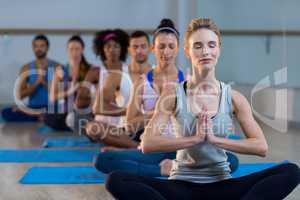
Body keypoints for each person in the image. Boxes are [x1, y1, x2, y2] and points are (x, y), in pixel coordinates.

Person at [105, 18, 300, 200]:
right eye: (198, 46)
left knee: (291, 171)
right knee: (116, 180)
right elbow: (147, 143)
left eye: (211, 45)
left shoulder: (234, 98)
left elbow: (261, 147)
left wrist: (215, 140)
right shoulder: (172, 94)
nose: (205, 51)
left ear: (219, 49)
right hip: (181, 185)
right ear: (188, 51)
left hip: (222, 184)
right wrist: (194, 139)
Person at [95, 20, 238, 178]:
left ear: (179, 49)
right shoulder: (142, 82)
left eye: (171, 46)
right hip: (153, 148)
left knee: (231, 161)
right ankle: (163, 170)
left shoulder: (190, 81)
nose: (166, 52)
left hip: (184, 148)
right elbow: (129, 125)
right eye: (161, 46)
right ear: (153, 49)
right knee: (103, 159)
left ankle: (171, 166)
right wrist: (160, 110)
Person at [1, 34, 59, 122]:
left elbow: (61, 94)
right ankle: (41, 116)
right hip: (33, 107)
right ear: (33, 48)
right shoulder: (26, 68)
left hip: (51, 107)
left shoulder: (56, 67)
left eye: (42, 46)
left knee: (62, 111)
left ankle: (41, 116)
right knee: (6, 112)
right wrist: (36, 82)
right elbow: (19, 95)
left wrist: (43, 81)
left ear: (47, 48)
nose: (38, 49)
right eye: (36, 46)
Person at [45, 35, 93, 131]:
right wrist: (69, 92)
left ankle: (77, 124)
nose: (74, 52)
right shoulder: (60, 70)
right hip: (65, 111)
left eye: (77, 49)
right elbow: (52, 97)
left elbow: (96, 94)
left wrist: (82, 90)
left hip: (84, 110)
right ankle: (76, 124)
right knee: (49, 116)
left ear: (82, 50)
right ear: (67, 50)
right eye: (71, 49)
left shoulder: (90, 69)